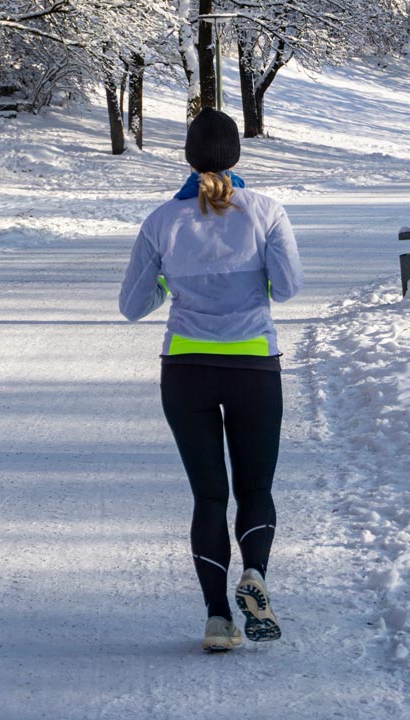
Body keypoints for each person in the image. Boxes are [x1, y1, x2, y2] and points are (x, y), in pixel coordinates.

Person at [118, 108, 304, 652]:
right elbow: (289, 287)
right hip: (253, 367)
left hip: (186, 371)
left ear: (188, 155)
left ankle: (218, 619)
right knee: (255, 489)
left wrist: (167, 284)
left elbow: (133, 306)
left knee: (208, 498)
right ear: (236, 154)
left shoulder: (161, 221)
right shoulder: (266, 211)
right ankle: (256, 575)